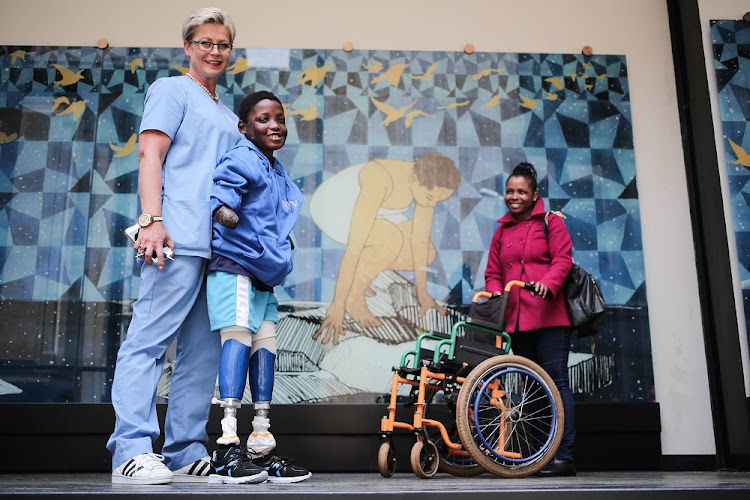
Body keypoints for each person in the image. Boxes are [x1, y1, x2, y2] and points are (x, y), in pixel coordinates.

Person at [106, 8, 259, 485]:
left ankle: (183, 449)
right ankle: (131, 449)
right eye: (206, 42)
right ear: (188, 47)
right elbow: (151, 154)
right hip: (174, 239)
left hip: (217, 250)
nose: (215, 51)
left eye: (223, 44)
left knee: (202, 355)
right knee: (148, 343)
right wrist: (152, 220)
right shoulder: (171, 91)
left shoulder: (230, 115)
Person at [207, 90, 312, 483]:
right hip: (235, 266)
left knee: (264, 348)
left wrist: (281, 247)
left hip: (264, 274)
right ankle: (226, 447)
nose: (275, 126)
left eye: (280, 119)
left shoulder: (276, 170)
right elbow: (222, 193)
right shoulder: (241, 157)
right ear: (244, 126)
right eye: (264, 119)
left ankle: (260, 444)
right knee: (236, 341)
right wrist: (224, 211)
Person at [484, 162, 577, 477]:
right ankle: (540, 454)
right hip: (517, 322)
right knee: (532, 388)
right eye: (510, 191)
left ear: (534, 194)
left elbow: (563, 260)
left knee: (555, 382)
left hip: (550, 317)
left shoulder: (552, 223)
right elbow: (493, 273)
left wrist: (547, 284)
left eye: (521, 191)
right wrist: (496, 293)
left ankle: (563, 455)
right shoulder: (501, 231)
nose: (514, 196)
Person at [313, 153, 461, 345]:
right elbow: (354, 248)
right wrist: (338, 303)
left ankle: (361, 275)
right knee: (390, 240)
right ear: (414, 179)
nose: (431, 204)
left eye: (437, 201)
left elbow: (420, 241)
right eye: (430, 197)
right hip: (336, 209)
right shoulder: (380, 178)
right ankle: (354, 296)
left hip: (380, 211)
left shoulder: (425, 180)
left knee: (426, 253)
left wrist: (422, 293)